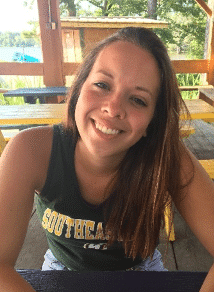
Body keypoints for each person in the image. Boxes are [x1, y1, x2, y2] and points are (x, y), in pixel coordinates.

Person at [0, 27, 213, 291]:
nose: (112, 108)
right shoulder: (30, 150)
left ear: (151, 122)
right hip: (62, 270)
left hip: (141, 272)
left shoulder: (166, 156)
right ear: (79, 88)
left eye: (137, 99)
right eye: (102, 85)